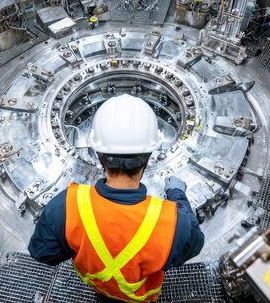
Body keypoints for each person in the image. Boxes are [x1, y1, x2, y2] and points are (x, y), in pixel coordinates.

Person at [28, 94, 204, 302]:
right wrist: (177, 195)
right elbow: (193, 246)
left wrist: (77, 244)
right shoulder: (174, 222)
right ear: (148, 157)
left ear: (98, 154)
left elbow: (43, 253)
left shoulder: (66, 205)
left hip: (100, 290)